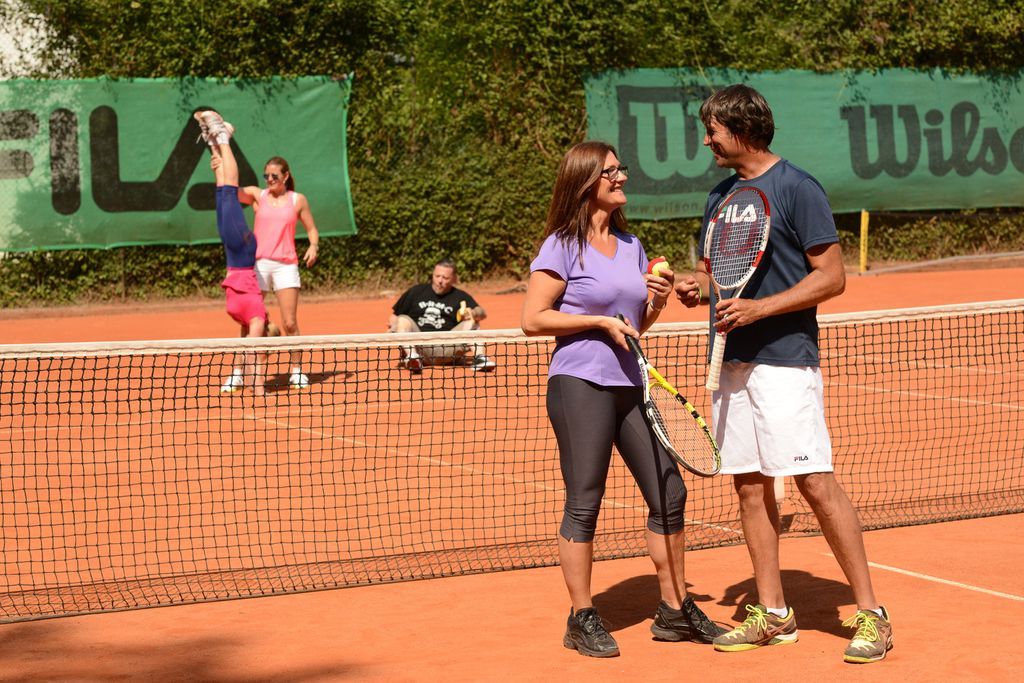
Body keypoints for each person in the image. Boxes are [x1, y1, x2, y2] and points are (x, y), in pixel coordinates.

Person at [673, 84, 893, 664]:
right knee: (748, 486)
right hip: (730, 359)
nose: (706, 139)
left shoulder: (798, 187)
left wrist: (762, 308)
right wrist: (696, 289)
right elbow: (712, 273)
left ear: (740, 128)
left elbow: (832, 277)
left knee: (814, 481)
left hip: (785, 357)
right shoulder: (720, 196)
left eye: (712, 128)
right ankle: (773, 612)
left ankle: (871, 613)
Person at [522, 140, 724, 658]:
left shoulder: (633, 246)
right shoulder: (561, 246)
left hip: (632, 386)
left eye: (621, 169)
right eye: (612, 172)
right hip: (580, 384)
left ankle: (675, 610)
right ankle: (581, 616)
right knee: (585, 501)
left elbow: (634, 327)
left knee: (669, 493)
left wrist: (654, 303)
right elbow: (533, 319)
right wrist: (596, 320)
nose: (622, 178)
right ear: (587, 180)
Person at [194, 109, 278, 396]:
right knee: (229, 193)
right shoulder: (256, 316)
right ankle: (223, 136)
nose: (263, 332)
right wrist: (258, 390)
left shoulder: (247, 319)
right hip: (243, 251)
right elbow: (253, 352)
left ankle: (215, 144)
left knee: (221, 192)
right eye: (266, 331)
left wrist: (215, 162)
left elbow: (246, 350)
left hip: (234, 257)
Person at [220, 155, 320, 391]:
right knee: (248, 321)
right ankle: (239, 373)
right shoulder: (258, 195)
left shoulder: (298, 200)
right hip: (259, 264)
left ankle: (297, 371)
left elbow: (312, 229)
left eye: (274, 176)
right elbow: (230, 189)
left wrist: (313, 245)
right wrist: (220, 161)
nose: (270, 180)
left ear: (285, 176)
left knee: (290, 322)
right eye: (266, 176)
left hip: (286, 265)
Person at [388, 259, 497, 373]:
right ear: (432, 275)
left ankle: (480, 359)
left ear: (454, 279)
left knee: (473, 322)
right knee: (402, 319)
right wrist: (394, 328)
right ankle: (412, 357)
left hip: (447, 349)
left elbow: (482, 313)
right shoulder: (416, 292)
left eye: (445, 278)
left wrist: (473, 313)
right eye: (437, 276)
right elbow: (394, 316)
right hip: (420, 347)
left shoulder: (460, 296)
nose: (440, 280)